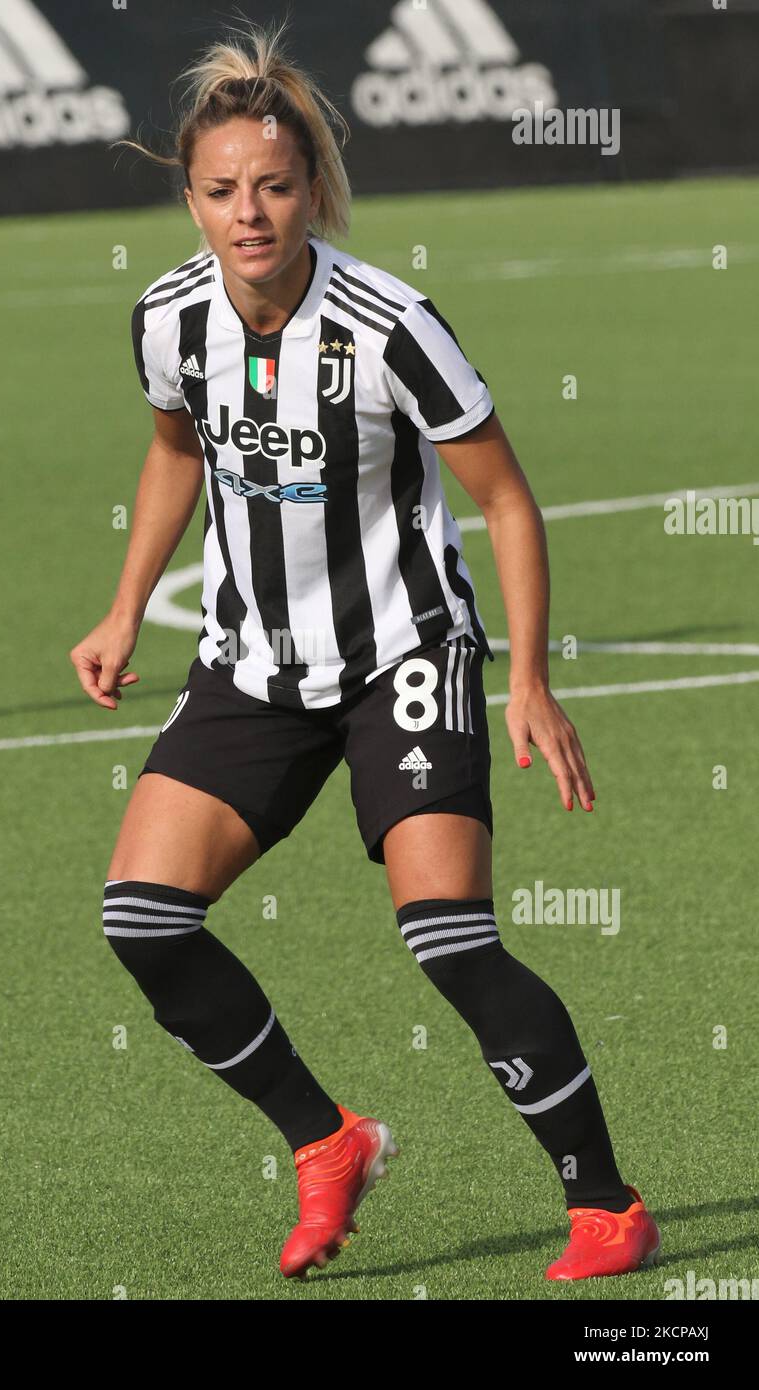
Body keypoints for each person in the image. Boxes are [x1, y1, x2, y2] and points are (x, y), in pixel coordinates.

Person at [69, 18, 660, 1283]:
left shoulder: (392, 325)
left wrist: (531, 680)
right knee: (143, 919)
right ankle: (326, 1138)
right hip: (252, 666)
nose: (250, 213)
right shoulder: (169, 320)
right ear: (190, 195)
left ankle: (606, 1204)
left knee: (450, 940)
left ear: (313, 190)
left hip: (404, 656)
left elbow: (505, 499)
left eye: (275, 187)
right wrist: (125, 607)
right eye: (223, 191)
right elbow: (175, 450)